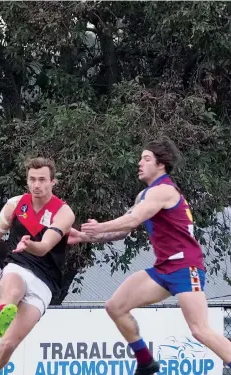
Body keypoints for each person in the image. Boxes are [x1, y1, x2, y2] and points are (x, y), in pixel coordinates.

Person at [72, 137, 231, 375]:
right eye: (141, 158)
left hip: (186, 267)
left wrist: (99, 226)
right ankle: (145, 362)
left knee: (199, 330)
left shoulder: (164, 190)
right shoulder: (145, 195)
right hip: (164, 269)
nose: (140, 163)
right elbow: (123, 230)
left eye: (146, 159)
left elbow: (133, 219)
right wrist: (85, 237)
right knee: (115, 306)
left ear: (161, 164)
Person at [0, 157, 75, 375]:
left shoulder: (63, 212)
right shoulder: (15, 204)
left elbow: (44, 247)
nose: (36, 185)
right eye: (32, 179)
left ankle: (4, 316)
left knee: (7, 346)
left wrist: (29, 245)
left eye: (42, 180)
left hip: (45, 282)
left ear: (52, 182)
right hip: (18, 264)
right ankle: (4, 311)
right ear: (27, 180)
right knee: (13, 286)